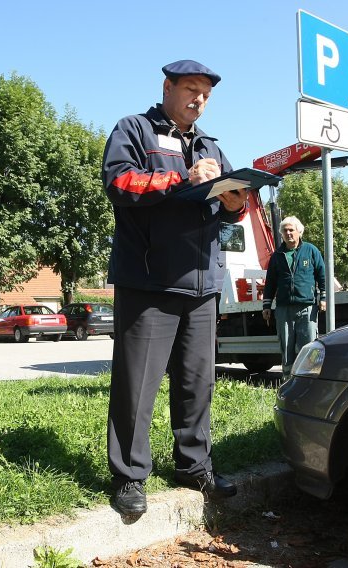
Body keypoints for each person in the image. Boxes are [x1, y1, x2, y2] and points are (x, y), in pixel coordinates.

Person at [103, 60, 247, 516]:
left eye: (205, 93)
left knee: (197, 383)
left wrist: (235, 204)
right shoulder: (135, 129)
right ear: (167, 87)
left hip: (204, 283)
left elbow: (228, 211)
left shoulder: (211, 146)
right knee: (137, 385)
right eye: (190, 89)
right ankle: (129, 476)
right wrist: (181, 178)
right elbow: (119, 182)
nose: (198, 99)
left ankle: (194, 465)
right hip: (149, 281)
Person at [262, 217, 326, 379]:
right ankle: (288, 381)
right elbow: (270, 282)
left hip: (307, 307)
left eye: (291, 230)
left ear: (299, 231)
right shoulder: (277, 255)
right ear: (282, 234)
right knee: (286, 347)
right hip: (284, 309)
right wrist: (266, 305)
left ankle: (310, 380)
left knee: (310, 346)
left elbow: (322, 275)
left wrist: (323, 297)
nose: (288, 233)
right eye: (285, 230)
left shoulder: (311, 251)